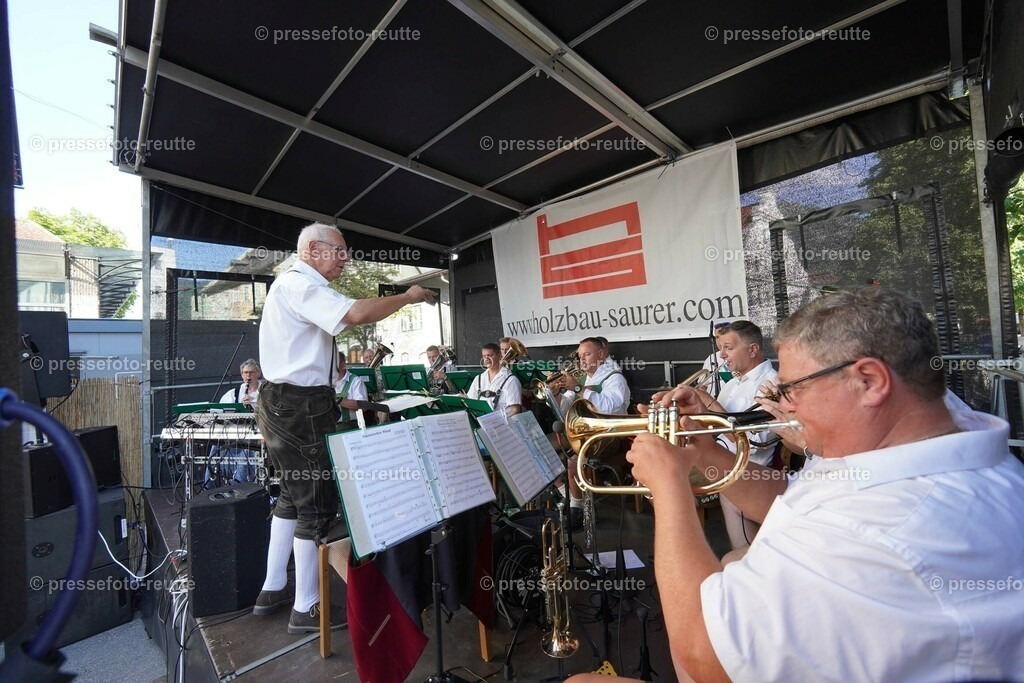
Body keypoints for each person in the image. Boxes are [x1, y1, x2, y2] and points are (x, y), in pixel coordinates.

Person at [568, 287, 1024, 682]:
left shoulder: (879, 524)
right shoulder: (930, 433)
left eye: (793, 388)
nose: (784, 405)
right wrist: (707, 448)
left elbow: (704, 655)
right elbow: (784, 499)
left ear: (869, 381)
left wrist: (669, 490)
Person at [252, 222, 436, 635]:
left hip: (283, 402)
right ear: (314, 249)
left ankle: (273, 588)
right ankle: (306, 608)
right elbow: (352, 313)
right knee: (315, 507)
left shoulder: (290, 286)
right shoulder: (301, 283)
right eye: (341, 250)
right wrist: (406, 297)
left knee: (290, 497)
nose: (346, 258)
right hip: (301, 405)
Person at [695, 320, 777, 552]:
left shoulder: (770, 384)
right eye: (720, 348)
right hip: (720, 458)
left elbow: (755, 444)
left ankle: (696, 554)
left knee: (668, 482)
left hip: (743, 466)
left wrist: (710, 403)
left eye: (728, 348)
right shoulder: (733, 385)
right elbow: (716, 429)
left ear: (752, 350)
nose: (721, 356)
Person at [553, 337, 631, 521]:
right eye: (580, 356)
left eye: (587, 354)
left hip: (611, 435)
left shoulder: (615, 378)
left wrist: (579, 387)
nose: (582, 360)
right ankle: (567, 494)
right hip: (586, 432)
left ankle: (578, 510)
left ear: (602, 354)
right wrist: (555, 393)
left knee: (572, 462)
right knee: (542, 447)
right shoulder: (584, 377)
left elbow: (609, 408)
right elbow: (564, 408)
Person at [206, 359, 263, 485]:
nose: (249, 376)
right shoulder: (233, 394)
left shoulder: (266, 393)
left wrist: (254, 404)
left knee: (246, 452)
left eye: (252, 372)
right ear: (242, 374)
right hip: (235, 435)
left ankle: (239, 486)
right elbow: (220, 414)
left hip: (257, 436)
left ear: (258, 373)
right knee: (216, 447)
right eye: (246, 373)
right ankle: (209, 485)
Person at [467, 343, 522, 417]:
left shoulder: (511, 380)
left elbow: (515, 410)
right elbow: (470, 403)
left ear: (499, 356)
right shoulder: (478, 379)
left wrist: (498, 423)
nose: (486, 358)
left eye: (490, 355)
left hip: (503, 426)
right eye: (484, 356)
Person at [333, 352, 368, 428]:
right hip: (329, 427)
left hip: (349, 426)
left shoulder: (355, 381)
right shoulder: (326, 382)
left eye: (333, 363)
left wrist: (336, 400)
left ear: (343, 365)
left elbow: (364, 406)